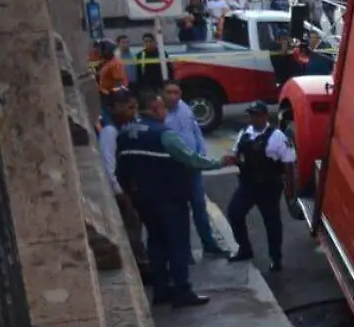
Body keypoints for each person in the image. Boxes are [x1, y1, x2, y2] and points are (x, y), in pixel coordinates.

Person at [117, 87, 233, 307]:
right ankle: (182, 290)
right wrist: (220, 162)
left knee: (156, 242)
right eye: (162, 106)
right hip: (169, 198)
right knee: (177, 244)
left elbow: (121, 168)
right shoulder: (163, 135)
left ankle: (161, 290)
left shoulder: (125, 133)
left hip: (143, 200)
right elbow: (191, 159)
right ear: (155, 108)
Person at [226, 101, 296, 272]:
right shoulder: (244, 133)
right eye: (251, 115)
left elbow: (288, 164)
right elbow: (236, 154)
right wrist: (230, 159)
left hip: (269, 186)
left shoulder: (277, 136)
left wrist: (290, 188)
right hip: (248, 184)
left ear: (265, 116)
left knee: (271, 223)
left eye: (257, 115)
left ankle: (275, 258)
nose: (253, 118)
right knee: (234, 213)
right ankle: (244, 249)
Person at [162, 80, 224, 261]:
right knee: (179, 214)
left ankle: (209, 245)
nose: (173, 97)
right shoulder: (161, 114)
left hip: (193, 167)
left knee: (200, 209)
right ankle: (184, 252)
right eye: (169, 93)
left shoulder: (184, 108)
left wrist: (201, 154)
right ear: (162, 93)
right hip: (175, 170)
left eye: (176, 93)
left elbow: (195, 131)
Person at [97, 89, 148, 269]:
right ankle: (140, 264)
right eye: (125, 106)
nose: (129, 110)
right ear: (112, 108)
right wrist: (120, 193)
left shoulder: (125, 126)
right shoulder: (110, 131)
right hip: (123, 191)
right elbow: (108, 165)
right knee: (131, 229)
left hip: (131, 188)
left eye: (132, 106)